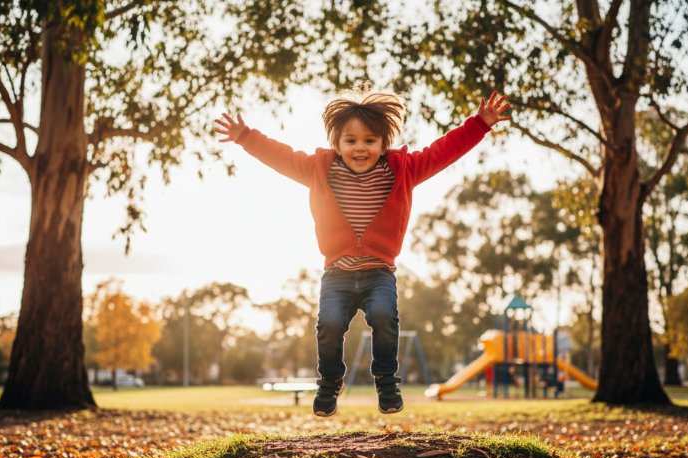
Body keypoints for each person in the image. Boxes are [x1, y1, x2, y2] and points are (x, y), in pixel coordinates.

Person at [214, 86, 510, 416]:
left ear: (385, 144)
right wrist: (245, 136)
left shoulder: (403, 170)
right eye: (350, 140)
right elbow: (280, 156)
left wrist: (479, 125)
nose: (360, 148)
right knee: (328, 324)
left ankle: (386, 383)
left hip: (378, 273)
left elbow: (443, 151)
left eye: (370, 141)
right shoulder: (318, 170)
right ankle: (328, 386)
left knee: (385, 317)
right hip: (337, 274)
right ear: (336, 144)